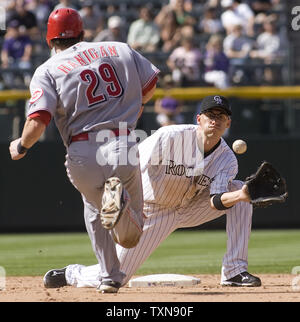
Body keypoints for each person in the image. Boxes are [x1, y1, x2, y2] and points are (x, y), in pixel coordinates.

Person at [9, 8, 160, 294]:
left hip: (81, 151)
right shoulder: (118, 48)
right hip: (121, 142)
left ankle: (109, 276)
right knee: (130, 237)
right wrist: (136, 106)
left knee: (93, 210)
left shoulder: (47, 70)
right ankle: (121, 205)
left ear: (48, 39)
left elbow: (38, 120)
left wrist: (21, 145)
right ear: (82, 32)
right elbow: (151, 83)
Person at [43, 95, 262, 290]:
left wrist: (244, 195)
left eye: (221, 116)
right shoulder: (170, 137)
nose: (215, 119)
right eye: (210, 114)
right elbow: (131, 164)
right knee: (117, 276)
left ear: (228, 122)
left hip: (190, 207)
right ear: (199, 118)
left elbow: (215, 201)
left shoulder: (227, 159)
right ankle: (72, 273)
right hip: (152, 209)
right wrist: (130, 205)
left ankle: (234, 271)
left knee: (239, 190)